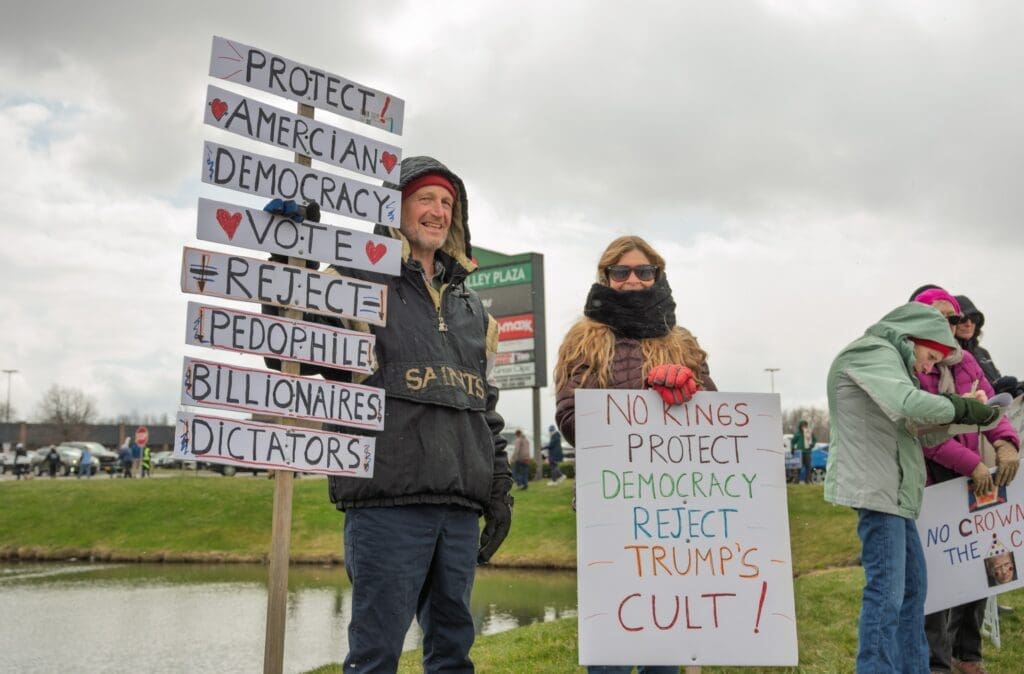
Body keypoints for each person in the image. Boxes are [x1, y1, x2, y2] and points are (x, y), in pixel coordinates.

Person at [264, 156, 512, 673]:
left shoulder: (475, 312)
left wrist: (498, 487)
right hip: (386, 506)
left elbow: (484, 408)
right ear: (392, 208)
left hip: (458, 511)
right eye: (425, 199)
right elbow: (289, 348)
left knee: (453, 654)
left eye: (447, 203)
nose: (438, 211)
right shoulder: (353, 281)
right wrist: (287, 254)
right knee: (376, 656)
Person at [554, 234, 714, 674]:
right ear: (605, 276)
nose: (632, 280)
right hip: (608, 505)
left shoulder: (683, 342)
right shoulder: (582, 341)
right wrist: (645, 398)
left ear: (657, 275)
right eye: (620, 271)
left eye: (643, 271)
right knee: (611, 638)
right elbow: (570, 419)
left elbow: (714, 421)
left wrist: (689, 389)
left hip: (672, 507)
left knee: (664, 636)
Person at [823, 301, 1001, 673]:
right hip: (878, 490)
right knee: (887, 594)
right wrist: (959, 407)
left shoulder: (892, 363)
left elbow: (916, 428)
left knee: (913, 591)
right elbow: (907, 404)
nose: (929, 368)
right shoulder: (872, 352)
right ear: (915, 338)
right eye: (931, 357)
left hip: (896, 491)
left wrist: (964, 412)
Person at [911, 288, 1020, 674]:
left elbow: (991, 407)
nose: (950, 325)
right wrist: (973, 463)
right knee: (937, 578)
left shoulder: (967, 361)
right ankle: (935, 663)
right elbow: (926, 434)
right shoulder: (913, 365)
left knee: (978, 565)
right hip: (930, 481)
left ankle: (967, 654)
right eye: (940, 317)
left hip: (971, 478)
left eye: (953, 318)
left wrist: (1005, 443)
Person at [791, 419, 816, 484]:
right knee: (798, 467)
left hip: (807, 452)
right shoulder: (798, 434)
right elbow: (793, 441)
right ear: (800, 426)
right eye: (802, 425)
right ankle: (796, 480)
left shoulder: (809, 433)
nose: (804, 427)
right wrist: (792, 448)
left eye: (805, 425)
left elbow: (814, 440)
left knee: (808, 466)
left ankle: (807, 480)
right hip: (800, 452)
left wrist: (812, 445)